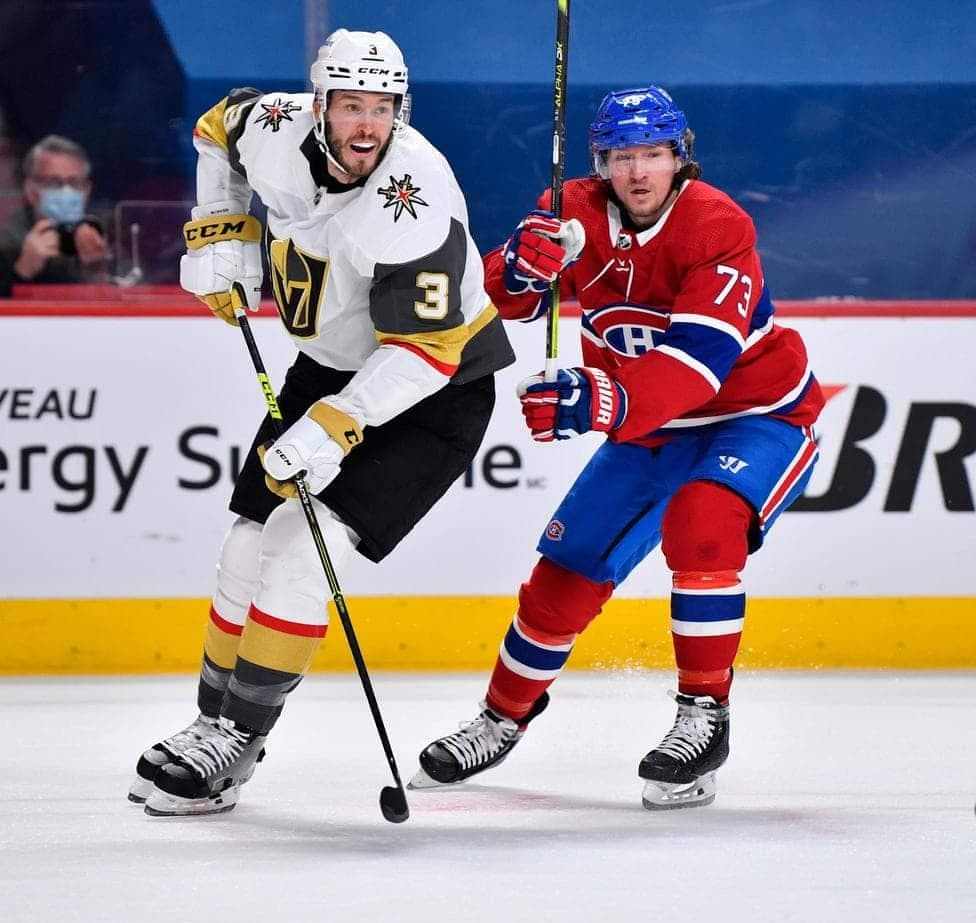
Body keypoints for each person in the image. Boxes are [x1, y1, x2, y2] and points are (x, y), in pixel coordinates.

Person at [129, 28, 514, 816]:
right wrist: (221, 228)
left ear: (401, 110)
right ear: (319, 105)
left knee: (302, 549)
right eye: (352, 105)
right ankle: (208, 722)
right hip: (331, 368)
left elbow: (429, 351)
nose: (368, 124)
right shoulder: (275, 127)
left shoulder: (417, 197)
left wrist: (333, 425)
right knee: (246, 542)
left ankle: (238, 740)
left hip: (433, 391)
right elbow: (216, 130)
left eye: (383, 107)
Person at [410, 86, 826, 810]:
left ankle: (704, 716)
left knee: (703, 525)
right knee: (565, 571)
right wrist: (519, 268)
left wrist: (600, 400)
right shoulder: (571, 209)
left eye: (653, 154)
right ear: (601, 163)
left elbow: (697, 365)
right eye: (622, 156)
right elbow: (493, 303)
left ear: (679, 158)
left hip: (755, 416)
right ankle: (501, 717)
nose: (638, 171)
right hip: (648, 426)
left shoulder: (717, 226)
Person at [0, 134, 109, 297]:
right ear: (30, 190)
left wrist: (98, 270)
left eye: (74, 183)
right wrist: (22, 271)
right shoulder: (6, 245)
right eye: (53, 183)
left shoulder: (103, 236)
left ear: (87, 191)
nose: (66, 191)